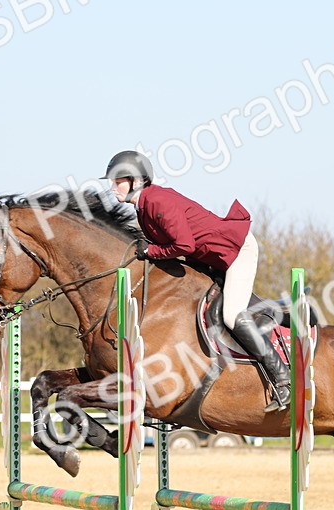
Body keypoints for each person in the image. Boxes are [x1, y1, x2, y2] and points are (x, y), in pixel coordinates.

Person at [102, 150, 290, 412]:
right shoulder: (143, 209)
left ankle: (283, 378)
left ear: (136, 180)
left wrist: (151, 251)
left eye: (118, 181)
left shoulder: (156, 202)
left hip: (235, 250)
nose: (112, 187)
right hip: (211, 257)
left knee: (232, 316)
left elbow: (183, 245)